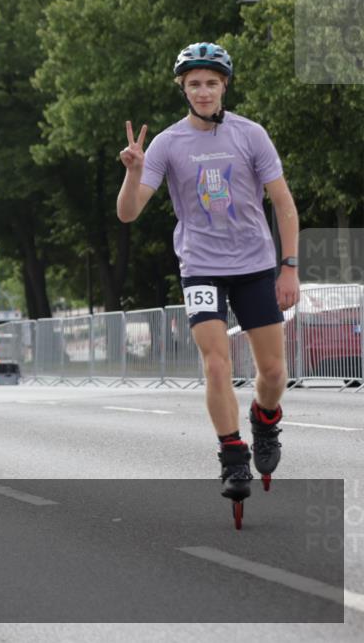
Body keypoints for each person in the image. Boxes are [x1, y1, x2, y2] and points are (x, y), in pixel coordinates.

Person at [116, 42, 299, 522]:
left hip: (256, 264)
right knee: (217, 365)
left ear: (223, 87)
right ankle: (232, 455)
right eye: (194, 83)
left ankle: (264, 419)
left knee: (274, 374)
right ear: (183, 87)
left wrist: (290, 266)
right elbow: (129, 213)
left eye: (211, 83)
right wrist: (133, 174)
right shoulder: (168, 144)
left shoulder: (250, 134)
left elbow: (283, 204)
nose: (202, 91)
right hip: (201, 266)